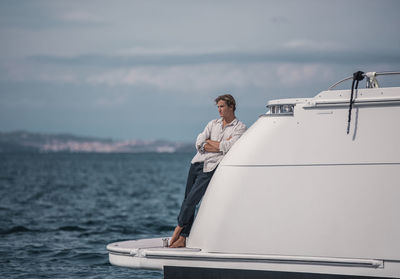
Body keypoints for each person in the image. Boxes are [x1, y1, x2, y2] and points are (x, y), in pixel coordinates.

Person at [169, 94, 247, 248]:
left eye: (222, 106)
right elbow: (199, 142)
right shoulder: (213, 123)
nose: (219, 110)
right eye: (218, 107)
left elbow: (229, 147)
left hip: (210, 167)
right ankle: (184, 238)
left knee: (192, 200)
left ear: (231, 107)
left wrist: (211, 144)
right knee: (187, 200)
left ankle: (178, 229)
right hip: (196, 163)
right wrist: (213, 144)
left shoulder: (240, 127)